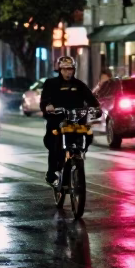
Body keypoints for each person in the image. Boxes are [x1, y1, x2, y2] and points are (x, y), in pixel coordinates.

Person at [40, 55, 99, 185]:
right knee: (54, 144)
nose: (68, 72)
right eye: (65, 69)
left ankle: (78, 155)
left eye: (71, 69)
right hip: (57, 120)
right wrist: (48, 106)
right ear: (59, 70)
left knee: (88, 135)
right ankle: (52, 173)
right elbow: (44, 100)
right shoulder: (51, 84)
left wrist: (96, 108)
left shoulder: (79, 85)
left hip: (77, 121)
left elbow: (92, 100)